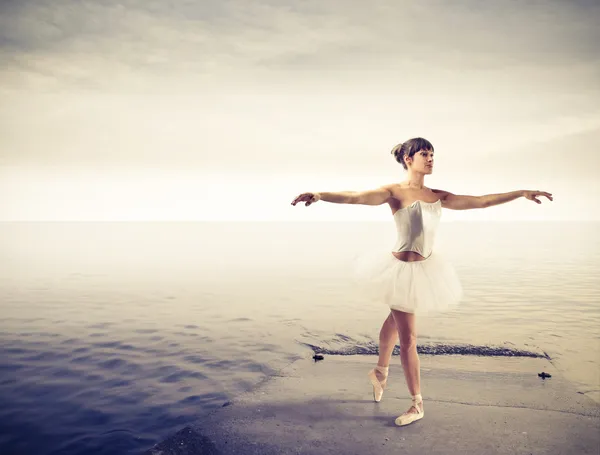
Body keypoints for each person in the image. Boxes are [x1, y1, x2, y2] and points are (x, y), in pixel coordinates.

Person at [290, 137, 553, 427]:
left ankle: (379, 371)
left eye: (432, 154)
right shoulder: (394, 192)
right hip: (399, 269)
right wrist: (319, 194)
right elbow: (355, 196)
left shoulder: (438, 195)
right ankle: (417, 403)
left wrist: (521, 193)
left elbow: (482, 201)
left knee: (395, 320)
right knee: (409, 338)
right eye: (424, 154)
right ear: (408, 159)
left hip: (425, 270)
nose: (430, 159)